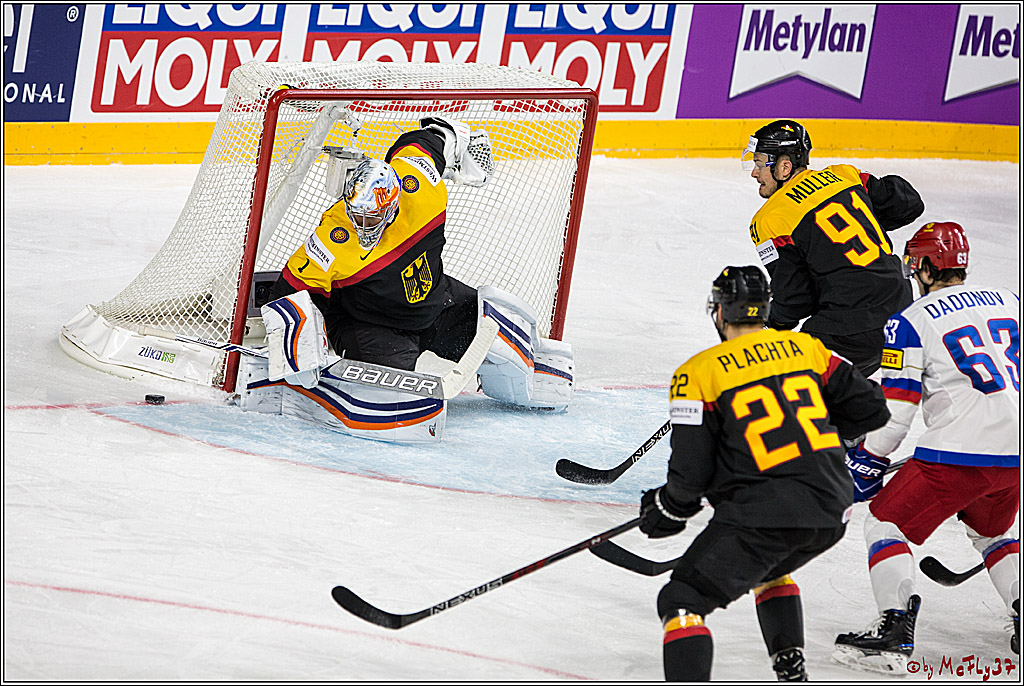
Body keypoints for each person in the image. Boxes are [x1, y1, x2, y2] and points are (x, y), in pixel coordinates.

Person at [238, 116, 574, 442]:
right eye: (357, 213)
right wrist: (293, 348)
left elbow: (430, 137)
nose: (362, 224)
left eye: (372, 216)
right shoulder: (334, 237)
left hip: (437, 305)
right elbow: (287, 290)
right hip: (370, 325)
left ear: (394, 203)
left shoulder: (422, 189)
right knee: (398, 402)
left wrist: (461, 144)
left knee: (512, 347)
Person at [638, 265, 891, 681]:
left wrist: (669, 509)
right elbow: (872, 408)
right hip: (832, 508)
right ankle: (791, 671)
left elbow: (691, 470)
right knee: (770, 568)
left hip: (765, 514)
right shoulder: (808, 349)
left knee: (683, 598)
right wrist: (819, 440)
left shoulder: (697, 373)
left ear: (719, 312)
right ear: (765, 308)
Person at [834, 221, 1020, 673]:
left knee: (884, 524)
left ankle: (893, 631)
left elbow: (898, 407)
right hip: (1015, 455)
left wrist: (868, 460)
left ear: (923, 265)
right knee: (994, 534)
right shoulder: (1011, 303)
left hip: (957, 454)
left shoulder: (910, 322)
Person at [742, 119, 926, 377]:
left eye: (760, 164)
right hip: (902, 315)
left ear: (784, 167)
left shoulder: (771, 219)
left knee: (778, 384)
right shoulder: (845, 175)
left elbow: (795, 300)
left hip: (851, 329)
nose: (754, 173)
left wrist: (770, 323)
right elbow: (909, 203)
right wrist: (867, 220)